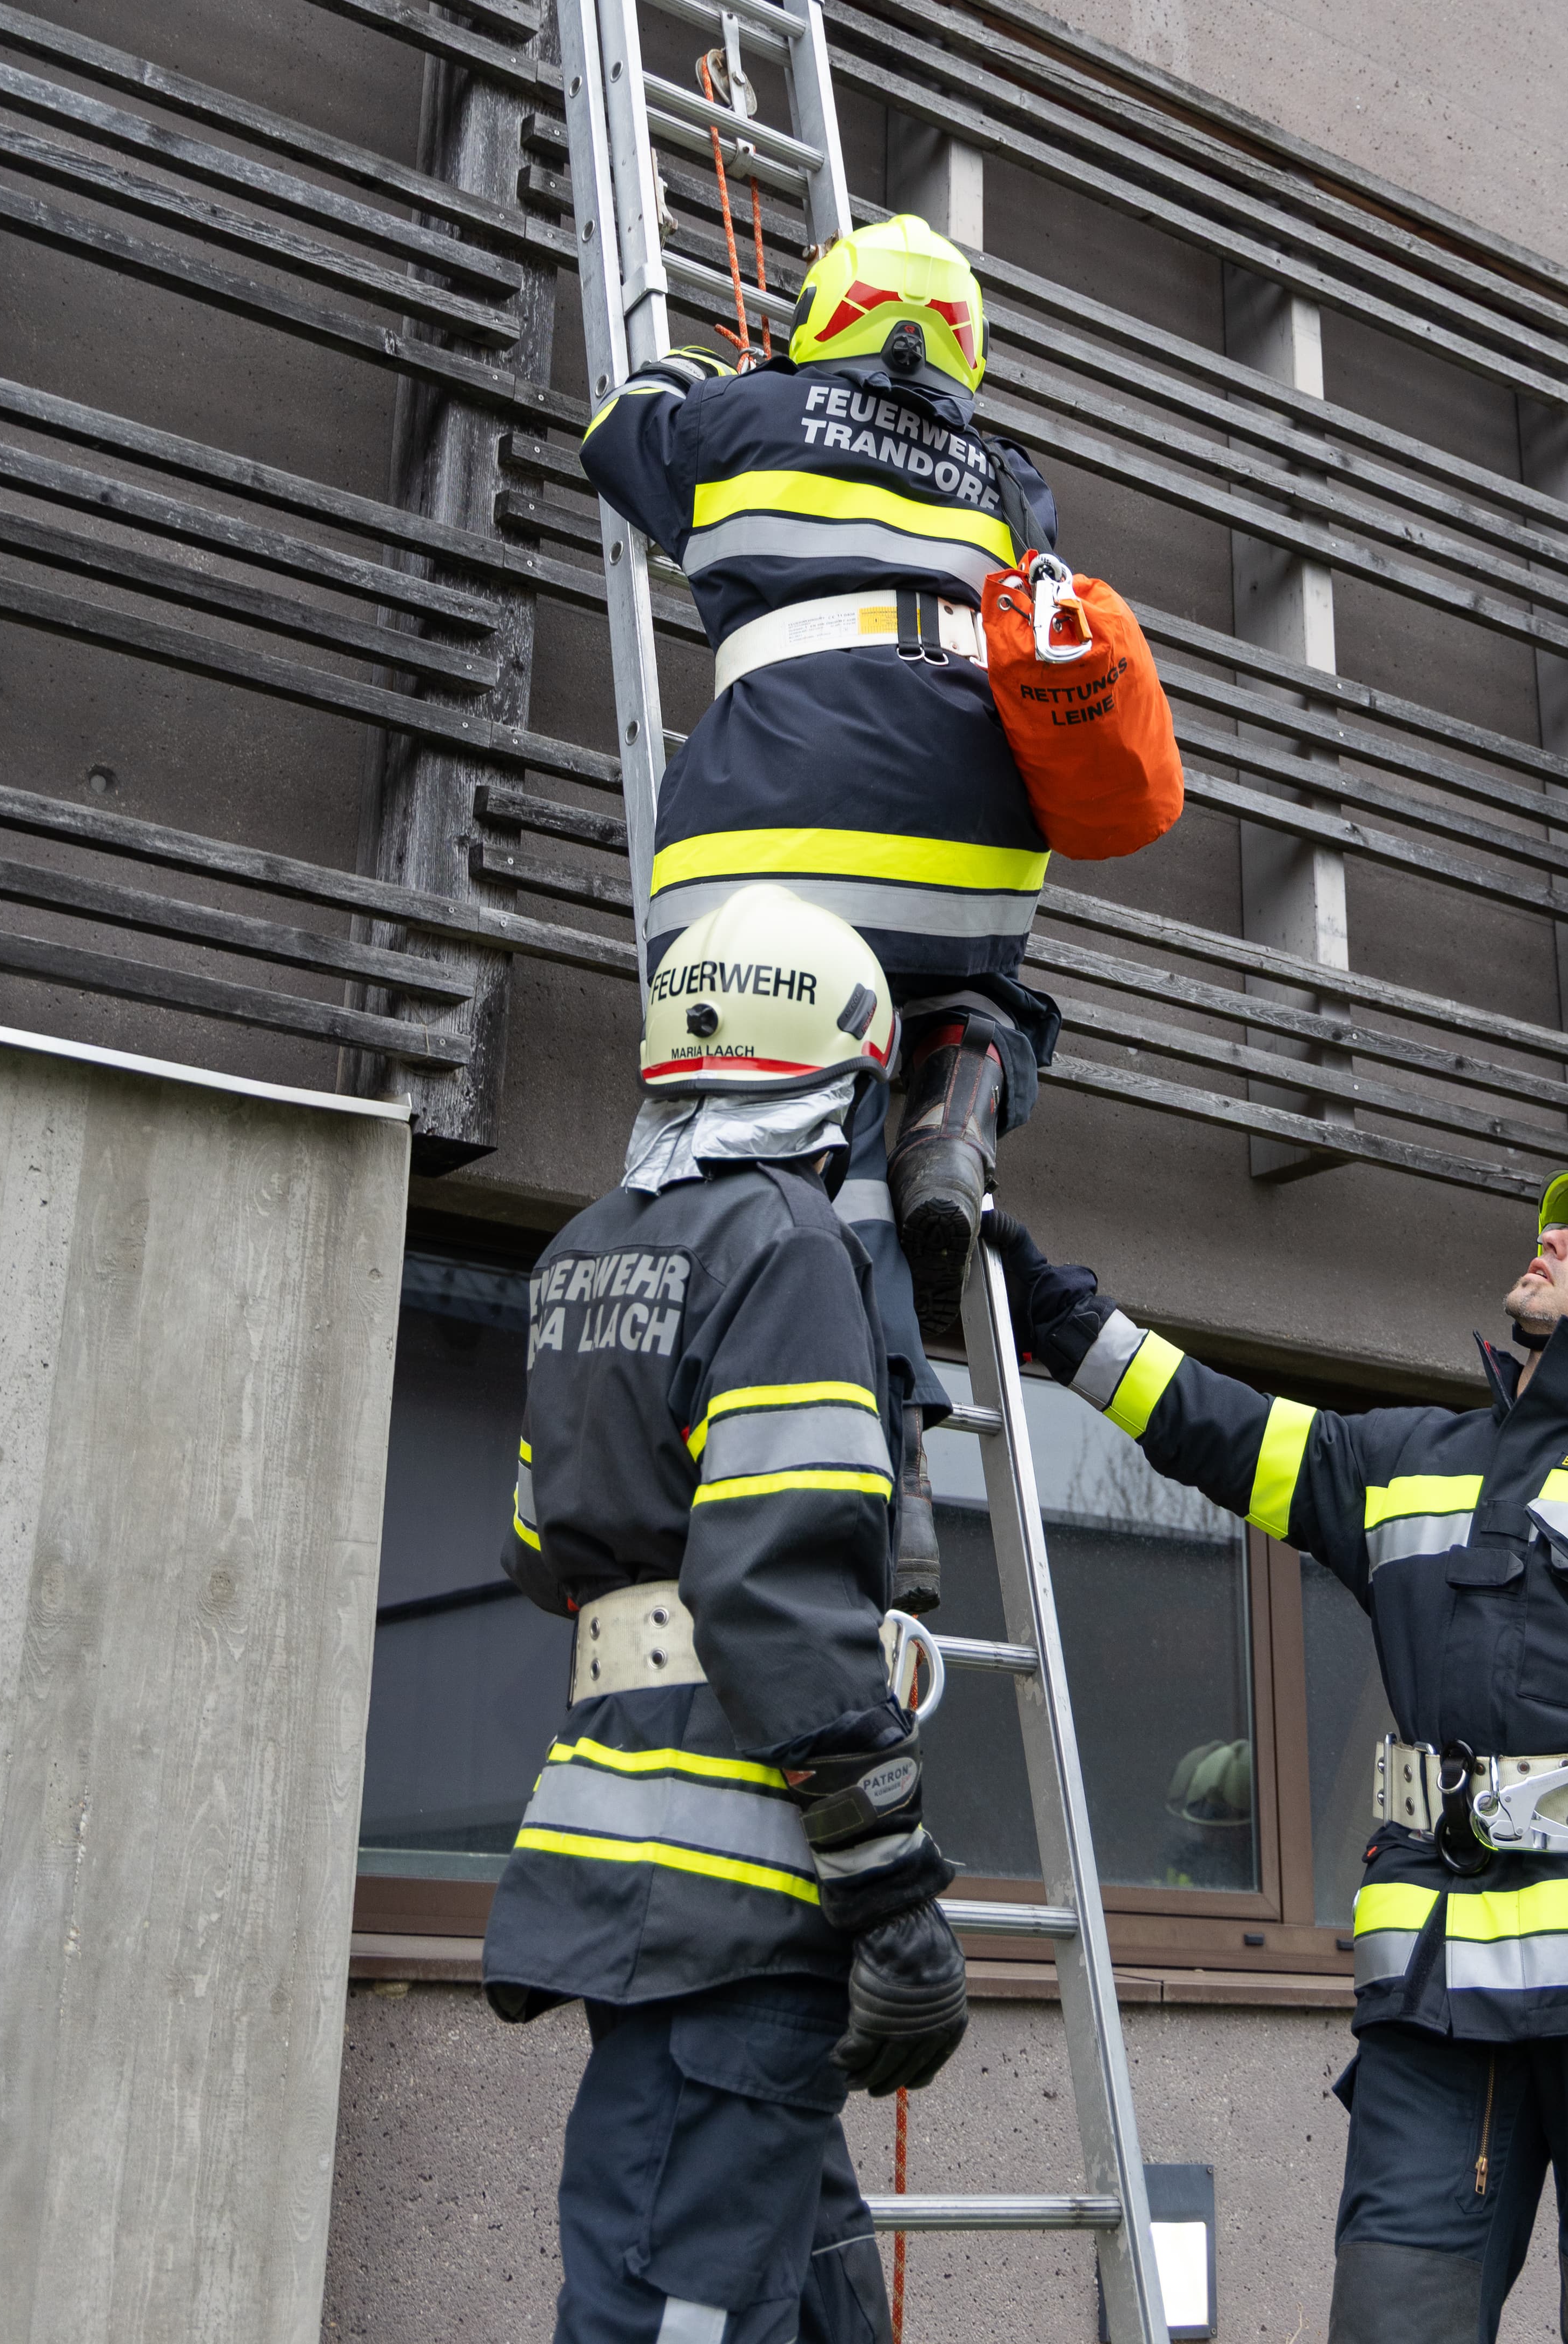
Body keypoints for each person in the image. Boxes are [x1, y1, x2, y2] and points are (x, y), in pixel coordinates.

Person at [989, 1158, 1568, 2344]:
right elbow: (1217, 1428)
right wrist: (1064, 1324)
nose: (1548, 1242)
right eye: (1556, 1229)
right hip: (1435, 2009)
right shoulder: (1411, 1458)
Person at [482, 884, 969, 2344]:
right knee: (668, 2309)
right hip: (756, 1874)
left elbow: (532, 1544)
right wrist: (890, 1886)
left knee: (803, 2275)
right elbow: (772, 1578)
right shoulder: (789, 1245)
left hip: (622, 1850)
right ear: (833, 1072)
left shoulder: (584, 1252)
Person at [580, 210, 1065, 1606]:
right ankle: (962, 1093)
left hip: (782, 850)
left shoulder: (748, 417)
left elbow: (622, 430)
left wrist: (700, 367)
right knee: (975, 999)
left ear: (825, 322)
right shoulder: (1014, 480)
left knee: (811, 1165)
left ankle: (891, 1487)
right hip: (977, 866)